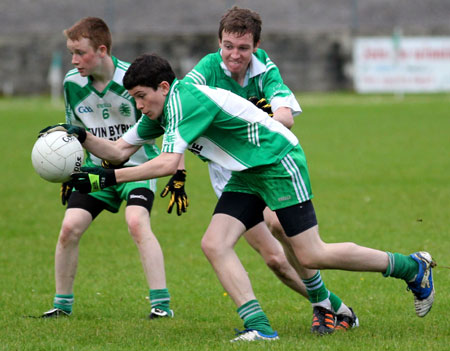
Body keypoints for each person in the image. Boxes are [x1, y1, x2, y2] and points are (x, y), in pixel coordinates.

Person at [44, 53, 435, 342]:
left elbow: (165, 165)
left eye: (142, 96)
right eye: (134, 98)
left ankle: (411, 267)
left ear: (164, 87)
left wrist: (104, 178)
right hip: (246, 173)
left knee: (312, 254)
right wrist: (78, 135)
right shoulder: (159, 112)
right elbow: (119, 151)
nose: (139, 106)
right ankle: (260, 328)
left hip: (278, 161)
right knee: (214, 243)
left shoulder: (185, 100)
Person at [182, 6, 356, 334]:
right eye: (228, 46)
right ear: (219, 43)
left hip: (263, 165)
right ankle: (338, 309)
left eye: (243, 48)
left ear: (256, 47)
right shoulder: (207, 67)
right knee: (276, 260)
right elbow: (182, 103)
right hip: (228, 177)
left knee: (282, 228)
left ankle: (323, 310)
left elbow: (286, 116)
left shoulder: (264, 71)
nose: (234, 55)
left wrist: (262, 120)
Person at [40, 18, 176, 319]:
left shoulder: (134, 80)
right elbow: (74, 132)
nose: (74, 60)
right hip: (94, 172)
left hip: (138, 167)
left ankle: (161, 306)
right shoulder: (71, 84)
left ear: (102, 50)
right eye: (70, 52)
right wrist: (68, 167)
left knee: (137, 223)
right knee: (68, 228)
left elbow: (162, 127)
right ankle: (61, 306)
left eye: (80, 52)